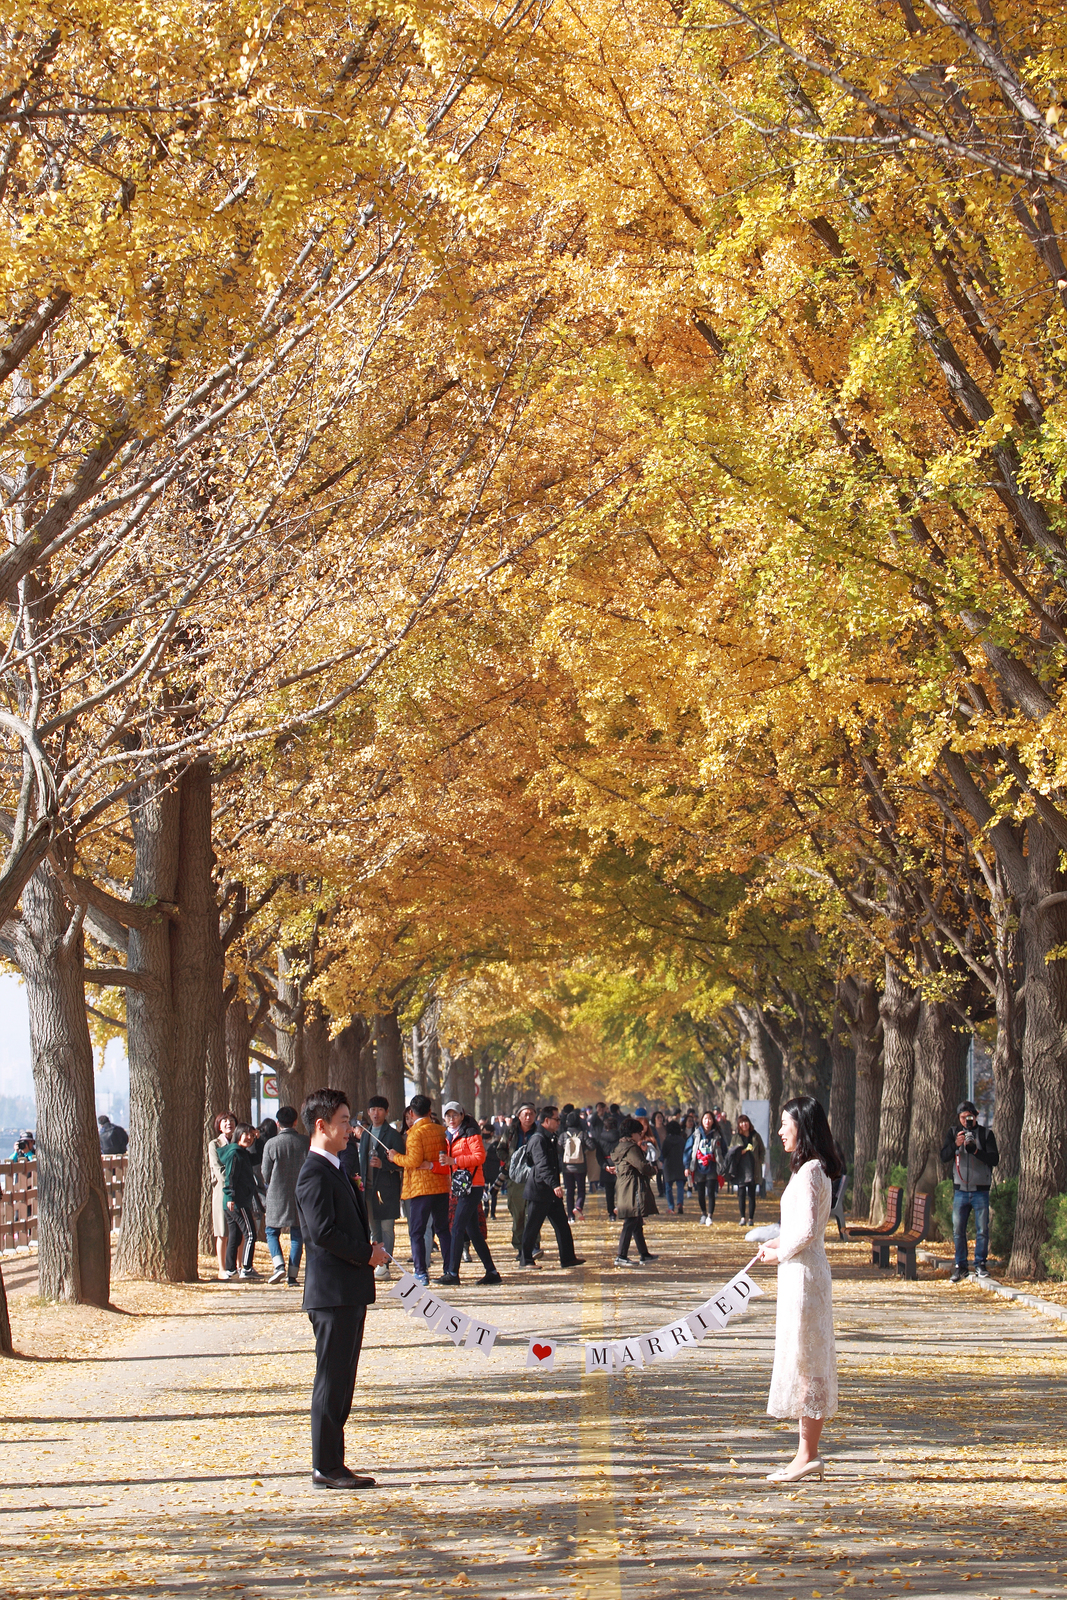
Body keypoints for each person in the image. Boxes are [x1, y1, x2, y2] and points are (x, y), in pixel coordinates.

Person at [295, 1086, 387, 1489]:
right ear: (322, 1125)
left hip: (348, 1290)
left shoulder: (335, 1167)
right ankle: (325, 1466)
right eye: (345, 1121)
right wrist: (365, 1254)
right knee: (331, 1381)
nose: (351, 1129)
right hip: (331, 1293)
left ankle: (335, 1461)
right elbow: (323, 1233)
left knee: (343, 1381)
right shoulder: (313, 1173)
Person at [757, 1095, 841, 1484]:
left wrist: (779, 1253)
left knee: (809, 1364)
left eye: (784, 1124)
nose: (779, 1132)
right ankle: (804, 1453)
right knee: (804, 1360)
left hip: (805, 1275)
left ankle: (807, 1455)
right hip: (799, 1272)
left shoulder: (810, 1171)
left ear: (802, 1126)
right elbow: (799, 1227)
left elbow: (808, 1230)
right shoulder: (808, 1169)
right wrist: (775, 1243)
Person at [387, 1094, 450, 1287]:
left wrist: (395, 1157)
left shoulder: (415, 1133)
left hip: (420, 1189)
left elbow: (413, 1161)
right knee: (442, 1229)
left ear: (412, 1114)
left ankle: (421, 1272)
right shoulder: (441, 1130)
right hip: (441, 1186)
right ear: (430, 1111)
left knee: (417, 1231)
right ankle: (450, 1269)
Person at [437, 1100, 502, 1287]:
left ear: (462, 1116)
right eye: (448, 1116)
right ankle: (492, 1272)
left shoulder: (471, 1132)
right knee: (473, 1231)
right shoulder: (447, 1135)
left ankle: (452, 1273)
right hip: (460, 1186)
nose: (451, 1119)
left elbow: (479, 1157)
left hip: (473, 1185)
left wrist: (454, 1160)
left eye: (455, 1115)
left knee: (457, 1228)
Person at [518, 1107, 585, 1271]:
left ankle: (568, 1258)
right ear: (546, 1120)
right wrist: (555, 1184)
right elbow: (542, 1166)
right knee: (532, 1226)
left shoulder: (550, 1138)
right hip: (539, 1190)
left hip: (551, 1192)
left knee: (562, 1225)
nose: (559, 1122)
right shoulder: (538, 1139)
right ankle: (525, 1259)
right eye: (556, 1119)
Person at [940, 1100, 999, 1283]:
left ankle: (980, 1264)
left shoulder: (986, 1134)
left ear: (976, 1116)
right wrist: (956, 1144)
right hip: (961, 1191)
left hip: (980, 1190)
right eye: (963, 1117)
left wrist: (976, 1151)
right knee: (958, 1230)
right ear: (959, 1118)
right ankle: (961, 1266)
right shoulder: (953, 1133)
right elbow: (944, 1156)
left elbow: (994, 1159)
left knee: (982, 1230)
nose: (966, 1121)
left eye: (970, 1117)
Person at [356, 1096, 404, 1280]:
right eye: (373, 1110)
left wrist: (383, 1164)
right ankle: (377, 1262)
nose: (376, 1113)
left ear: (386, 1112)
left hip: (387, 1190)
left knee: (387, 1227)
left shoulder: (392, 1135)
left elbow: (402, 1163)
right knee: (373, 1227)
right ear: (368, 1112)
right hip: (367, 1189)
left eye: (380, 1110)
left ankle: (385, 1264)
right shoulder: (365, 1134)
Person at [262, 1105, 309, 1285]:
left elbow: (265, 1173)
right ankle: (292, 1276)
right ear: (295, 1122)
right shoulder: (305, 1142)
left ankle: (278, 1264)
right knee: (297, 1234)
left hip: (276, 1194)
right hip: (299, 1194)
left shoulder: (271, 1144)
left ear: (278, 1123)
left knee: (271, 1231)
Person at [611, 1117, 659, 1266]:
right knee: (631, 1220)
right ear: (633, 1133)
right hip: (632, 1187)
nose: (640, 1136)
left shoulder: (621, 1146)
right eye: (639, 1133)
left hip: (625, 1186)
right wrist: (653, 1169)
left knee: (636, 1221)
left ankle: (644, 1253)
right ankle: (621, 1255)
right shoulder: (631, 1148)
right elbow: (642, 1166)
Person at [219, 1122, 261, 1280]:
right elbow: (230, 1176)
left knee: (235, 1235)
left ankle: (231, 1269)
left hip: (236, 1200)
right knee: (250, 1234)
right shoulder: (235, 1153)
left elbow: (257, 1157)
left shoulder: (243, 1153)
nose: (249, 1138)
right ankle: (247, 1268)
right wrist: (230, 1196)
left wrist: (259, 1140)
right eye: (246, 1134)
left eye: (252, 1135)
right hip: (237, 1201)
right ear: (238, 1134)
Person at [505, 1103, 538, 1259]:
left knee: (533, 1214)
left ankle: (533, 1245)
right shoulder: (511, 1132)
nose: (528, 1117)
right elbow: (500, 1149)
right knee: (518, 1214)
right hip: (515, 1179)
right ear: (519, 1116)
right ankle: (520, 1247)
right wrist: (510, 1163)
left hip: (535, 1177)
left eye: (531, 1114)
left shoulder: (539, 1132)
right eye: (525, 1114)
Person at [208, 1112, 236, 1278]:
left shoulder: (239, 1141)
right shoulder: (214, 1144)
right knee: (222, 1232)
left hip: (239, 1191)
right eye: (225, 1121)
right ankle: (222, 1268)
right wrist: (233, 1178)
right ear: (219, 1125)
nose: (228, 1123)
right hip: (222, 1190)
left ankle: (239, 1266)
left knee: (239, 1232)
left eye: (231, 1120)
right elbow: (218, 1169)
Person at [688, 1111, 726, 1226]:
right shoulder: (696, 1134)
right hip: (699, 1166)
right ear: (702, 1120)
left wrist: (723, 1164)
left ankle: (710, 1215)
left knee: (710, 1192)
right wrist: (687, 1165)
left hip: (712, 1166)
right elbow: (688, 1149)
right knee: (700, 1192)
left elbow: (723, 1149)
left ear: (713, 1121)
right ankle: (703, 1213)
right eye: (705, 1119)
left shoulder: (717, 1134)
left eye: (710, 1119)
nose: (707, 1121)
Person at [728, 1113, 766, 1227]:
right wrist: (741, 1152)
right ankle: (742, 1217)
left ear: (749, 1123)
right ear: (739, 1125)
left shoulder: (755, 1136)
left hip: (753, 1168)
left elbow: (762, 1150)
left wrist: (760, 1161)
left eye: (746, 1122)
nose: (744, 1124)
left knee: (751, 1194)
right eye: (741, 1122)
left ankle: (751, 1218)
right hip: (740, 1169)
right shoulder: (736, 1138)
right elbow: (731, 1151)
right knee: (741, 1194)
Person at [560, 1111, 591, 1221]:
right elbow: (592, 1146)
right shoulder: (582, 1134)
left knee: (569, 1191)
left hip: (567, 1167)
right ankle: (578, 1207)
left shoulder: (564, 1135)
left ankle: (570, 1216)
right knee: (581, 1189)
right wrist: (583, 1150)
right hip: (580, 1167)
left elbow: (558, 1148)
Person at [593, 1113, 620, 1219]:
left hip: (607, 1165)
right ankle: (621, 1209)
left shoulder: (600, 1139)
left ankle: (611, 1213)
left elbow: (598, 1156)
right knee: (621, 1191)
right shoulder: (621, 1138)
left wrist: (605, 1166)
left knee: (609, 1192)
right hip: (619, 1165)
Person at [660, 1119, 687, 1214]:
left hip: (669, 1165)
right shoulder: (681, 1140)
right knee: (680, 1186)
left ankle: (671, 1207)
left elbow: (663, 1154)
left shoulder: (667, 1140)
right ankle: (680, 1203)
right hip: (680, 1164)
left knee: (668, 1187)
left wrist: (661, 1161)